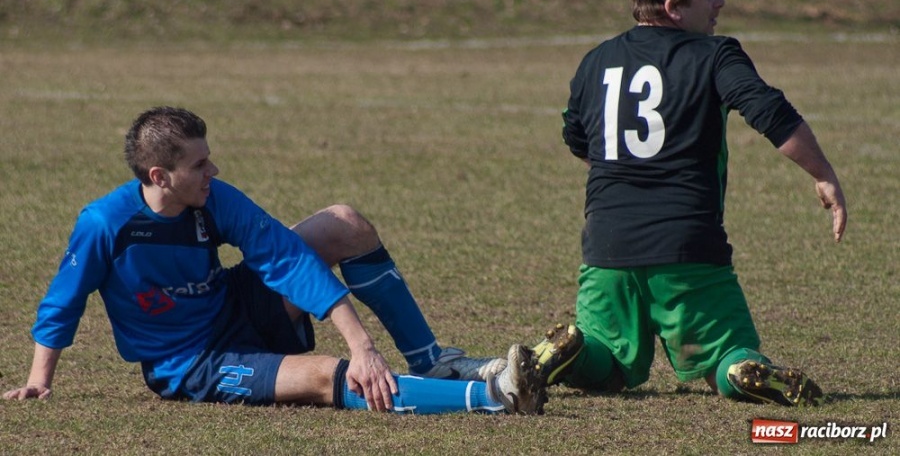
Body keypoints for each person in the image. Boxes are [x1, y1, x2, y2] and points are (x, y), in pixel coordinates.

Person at [3, 106, 582, 414]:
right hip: (189, 362)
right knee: (322, 377)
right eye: (200, 165)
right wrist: (38, 381)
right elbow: (63, 301)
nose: (214, 172)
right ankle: (495, 396)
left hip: (234, 305)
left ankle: (429, 361)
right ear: (160, 176)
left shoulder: (214, 201)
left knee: (344, 224)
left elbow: (283, 258)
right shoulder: (104, 224)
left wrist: (362, 342)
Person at [532, 0, 847, 407]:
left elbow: (578, 140)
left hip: (606, 249)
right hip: (688, 248)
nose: (720, 2)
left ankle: (570, 350)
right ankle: (742, 368)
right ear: (674, 6)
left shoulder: (596, 60)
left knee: (608, 362)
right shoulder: (715, 55)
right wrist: (823, 173)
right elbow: (770, 111)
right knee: (725, 354)